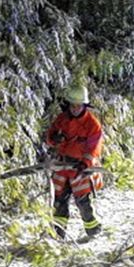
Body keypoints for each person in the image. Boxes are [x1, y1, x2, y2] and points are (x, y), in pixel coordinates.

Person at [44, 80, 105, 242]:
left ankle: (93, 230)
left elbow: (94, 148)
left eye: (79, 105)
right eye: (73, 105)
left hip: (81, 167)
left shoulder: (92, 124)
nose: (75, 108)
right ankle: (58, 233)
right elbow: (50, 137)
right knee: (59, 201)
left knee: (82, 201)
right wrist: (54, 138)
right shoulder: (62, 119)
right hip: (62, 166)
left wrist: (85, 164)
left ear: (85, 105)